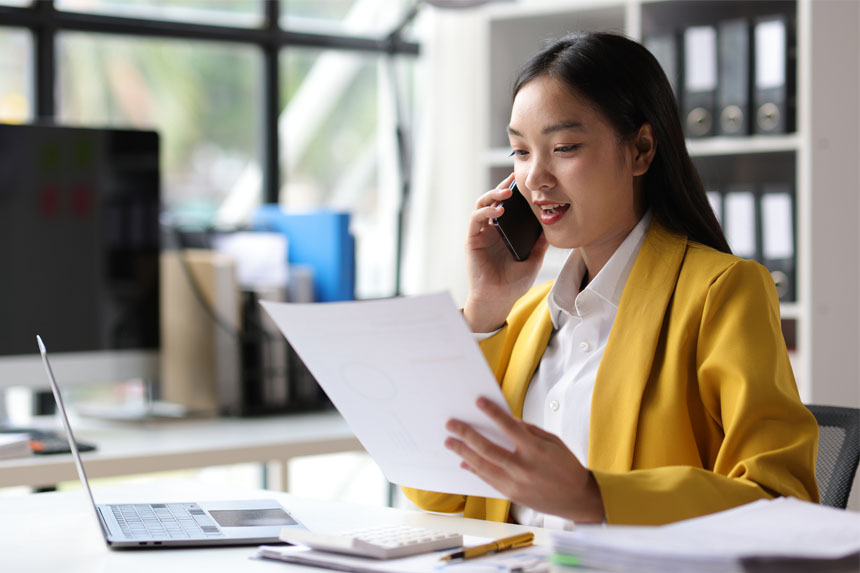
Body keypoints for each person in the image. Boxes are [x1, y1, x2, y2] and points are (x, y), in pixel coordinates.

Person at [401, 32, 818, 527]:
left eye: (564, 147)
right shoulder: (524, 316)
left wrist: (594, 496)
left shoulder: (721, 293)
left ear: (641, 149)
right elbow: (436, 495)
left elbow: (781, 500)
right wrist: (484, 308)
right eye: (520, 152)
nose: (535, 178)